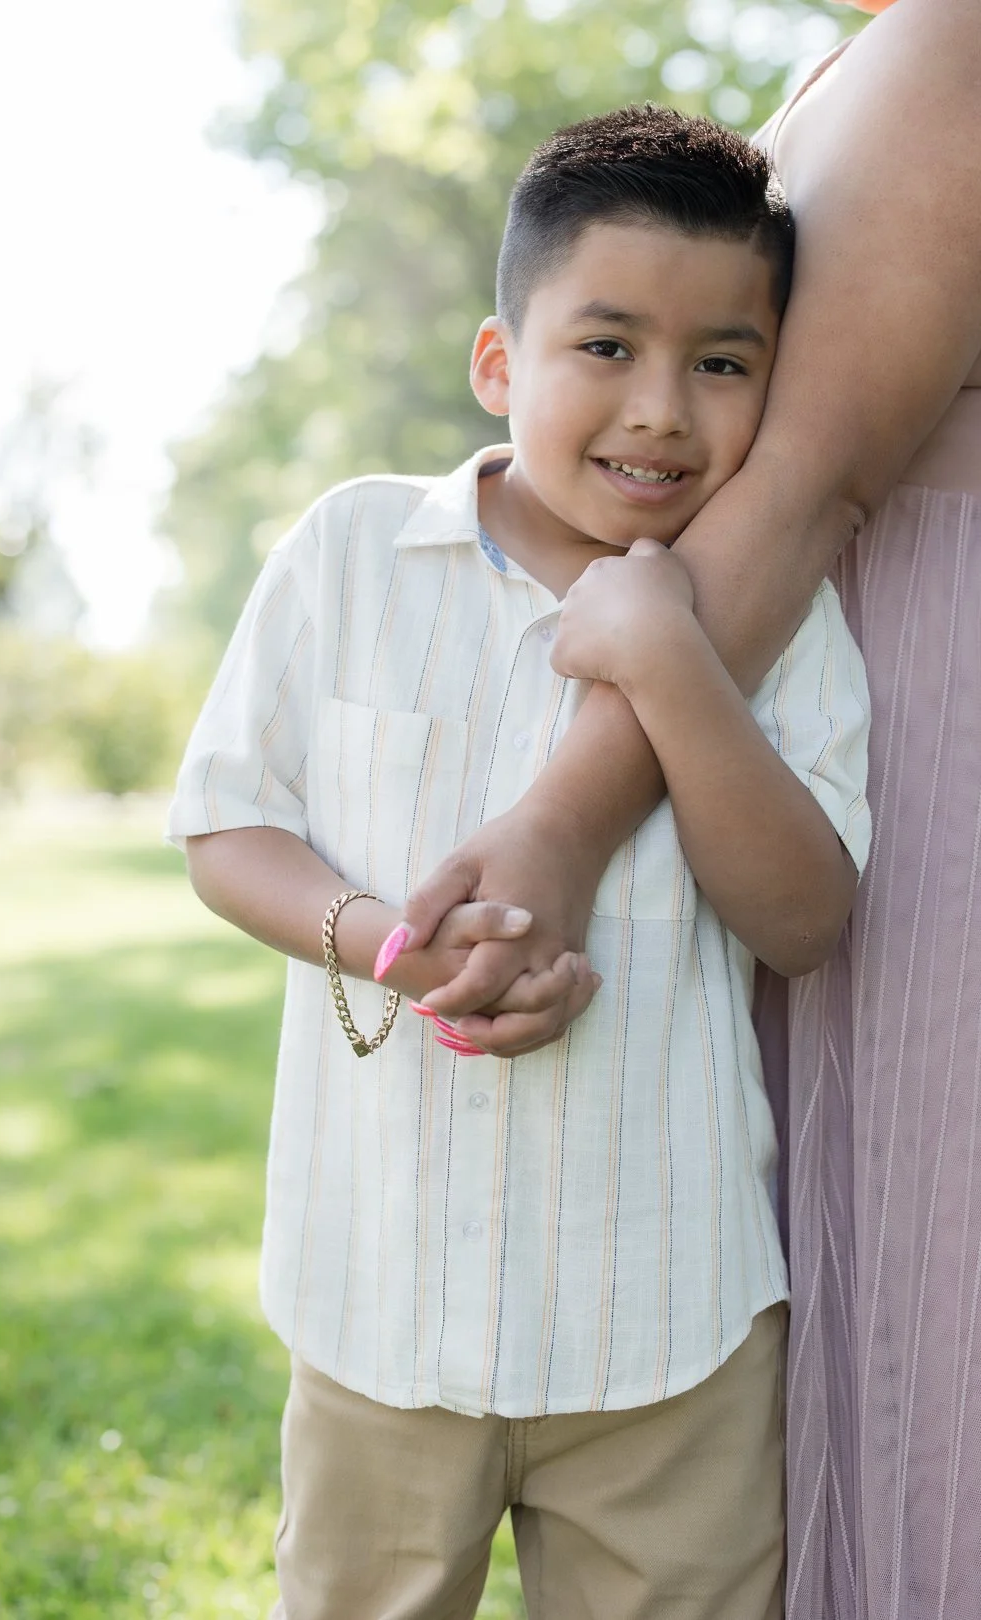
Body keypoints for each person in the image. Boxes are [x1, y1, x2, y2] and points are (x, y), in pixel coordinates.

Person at [169, 107, 871, 1619]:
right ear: (501, 363)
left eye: (724, 362)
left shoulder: (785, 621)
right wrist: (381, 938)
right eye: (606, 348)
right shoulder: (353, 552)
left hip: (668, 1324)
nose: (664, 412)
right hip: (380, 1303)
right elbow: (225, 823)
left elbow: (808, 918)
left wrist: (677, 669)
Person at [399, 3, 981, 1616]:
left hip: (924, 775)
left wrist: (562, 826)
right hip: (803, 736)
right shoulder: (868, 53)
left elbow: (800, 495)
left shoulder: (955, 43)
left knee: (937, 1321)